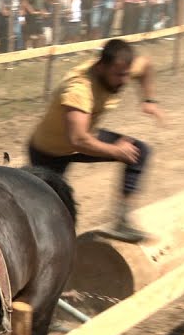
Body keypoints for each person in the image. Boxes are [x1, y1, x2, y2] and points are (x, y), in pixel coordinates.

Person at [27, 39, 164, 242]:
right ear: (101, 68)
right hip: (49, 151)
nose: (124, 80)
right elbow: (77, 140)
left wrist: (149, 100)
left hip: (83, 138)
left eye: (127, 74)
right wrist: (116, 151)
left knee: (138, 151)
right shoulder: (79, 89)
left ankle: (123, 220)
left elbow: (145, 64)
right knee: (55, 214)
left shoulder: (120, 66)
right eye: (118, 75)